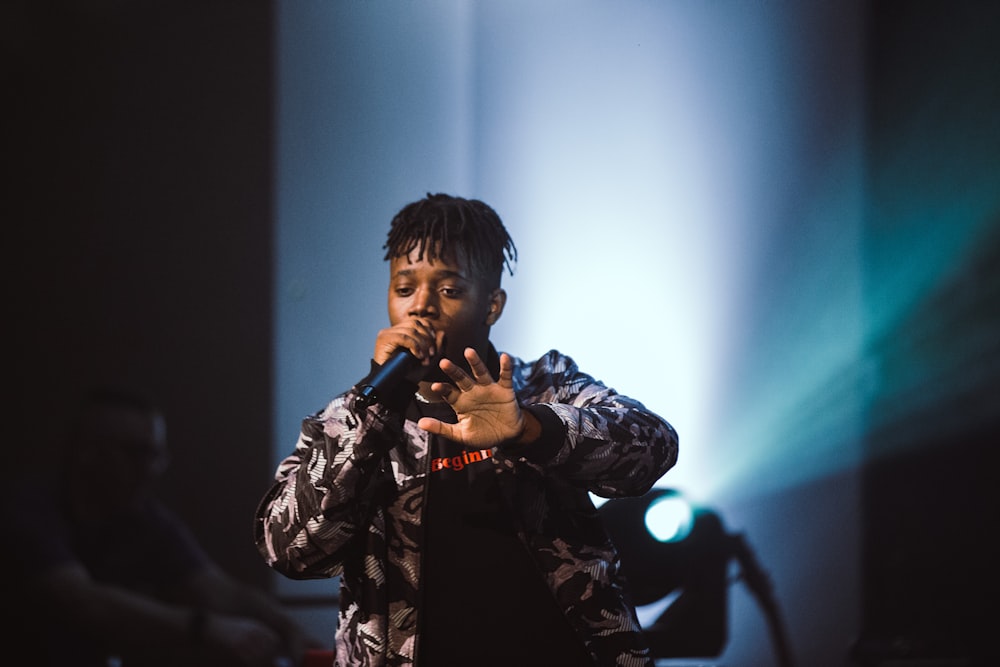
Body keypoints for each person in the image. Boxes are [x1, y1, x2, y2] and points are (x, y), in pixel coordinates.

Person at [254, 193, 680, 666]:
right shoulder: (351, 416)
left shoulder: (543, 386)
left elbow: (654, 446)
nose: (421, 307)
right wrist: (372, 415)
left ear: (492, 305)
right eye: (404, 288)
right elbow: (287, 551)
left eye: (449, 290)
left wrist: (528, 429)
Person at [1, 387, 323, 667]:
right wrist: (204, 626)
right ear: (88, 452)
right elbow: (80, 600)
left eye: (156, 455)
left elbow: (212, 587)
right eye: (137, 454)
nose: (151, 469)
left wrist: (285, 626)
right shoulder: (28, 510)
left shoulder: (143, 519)